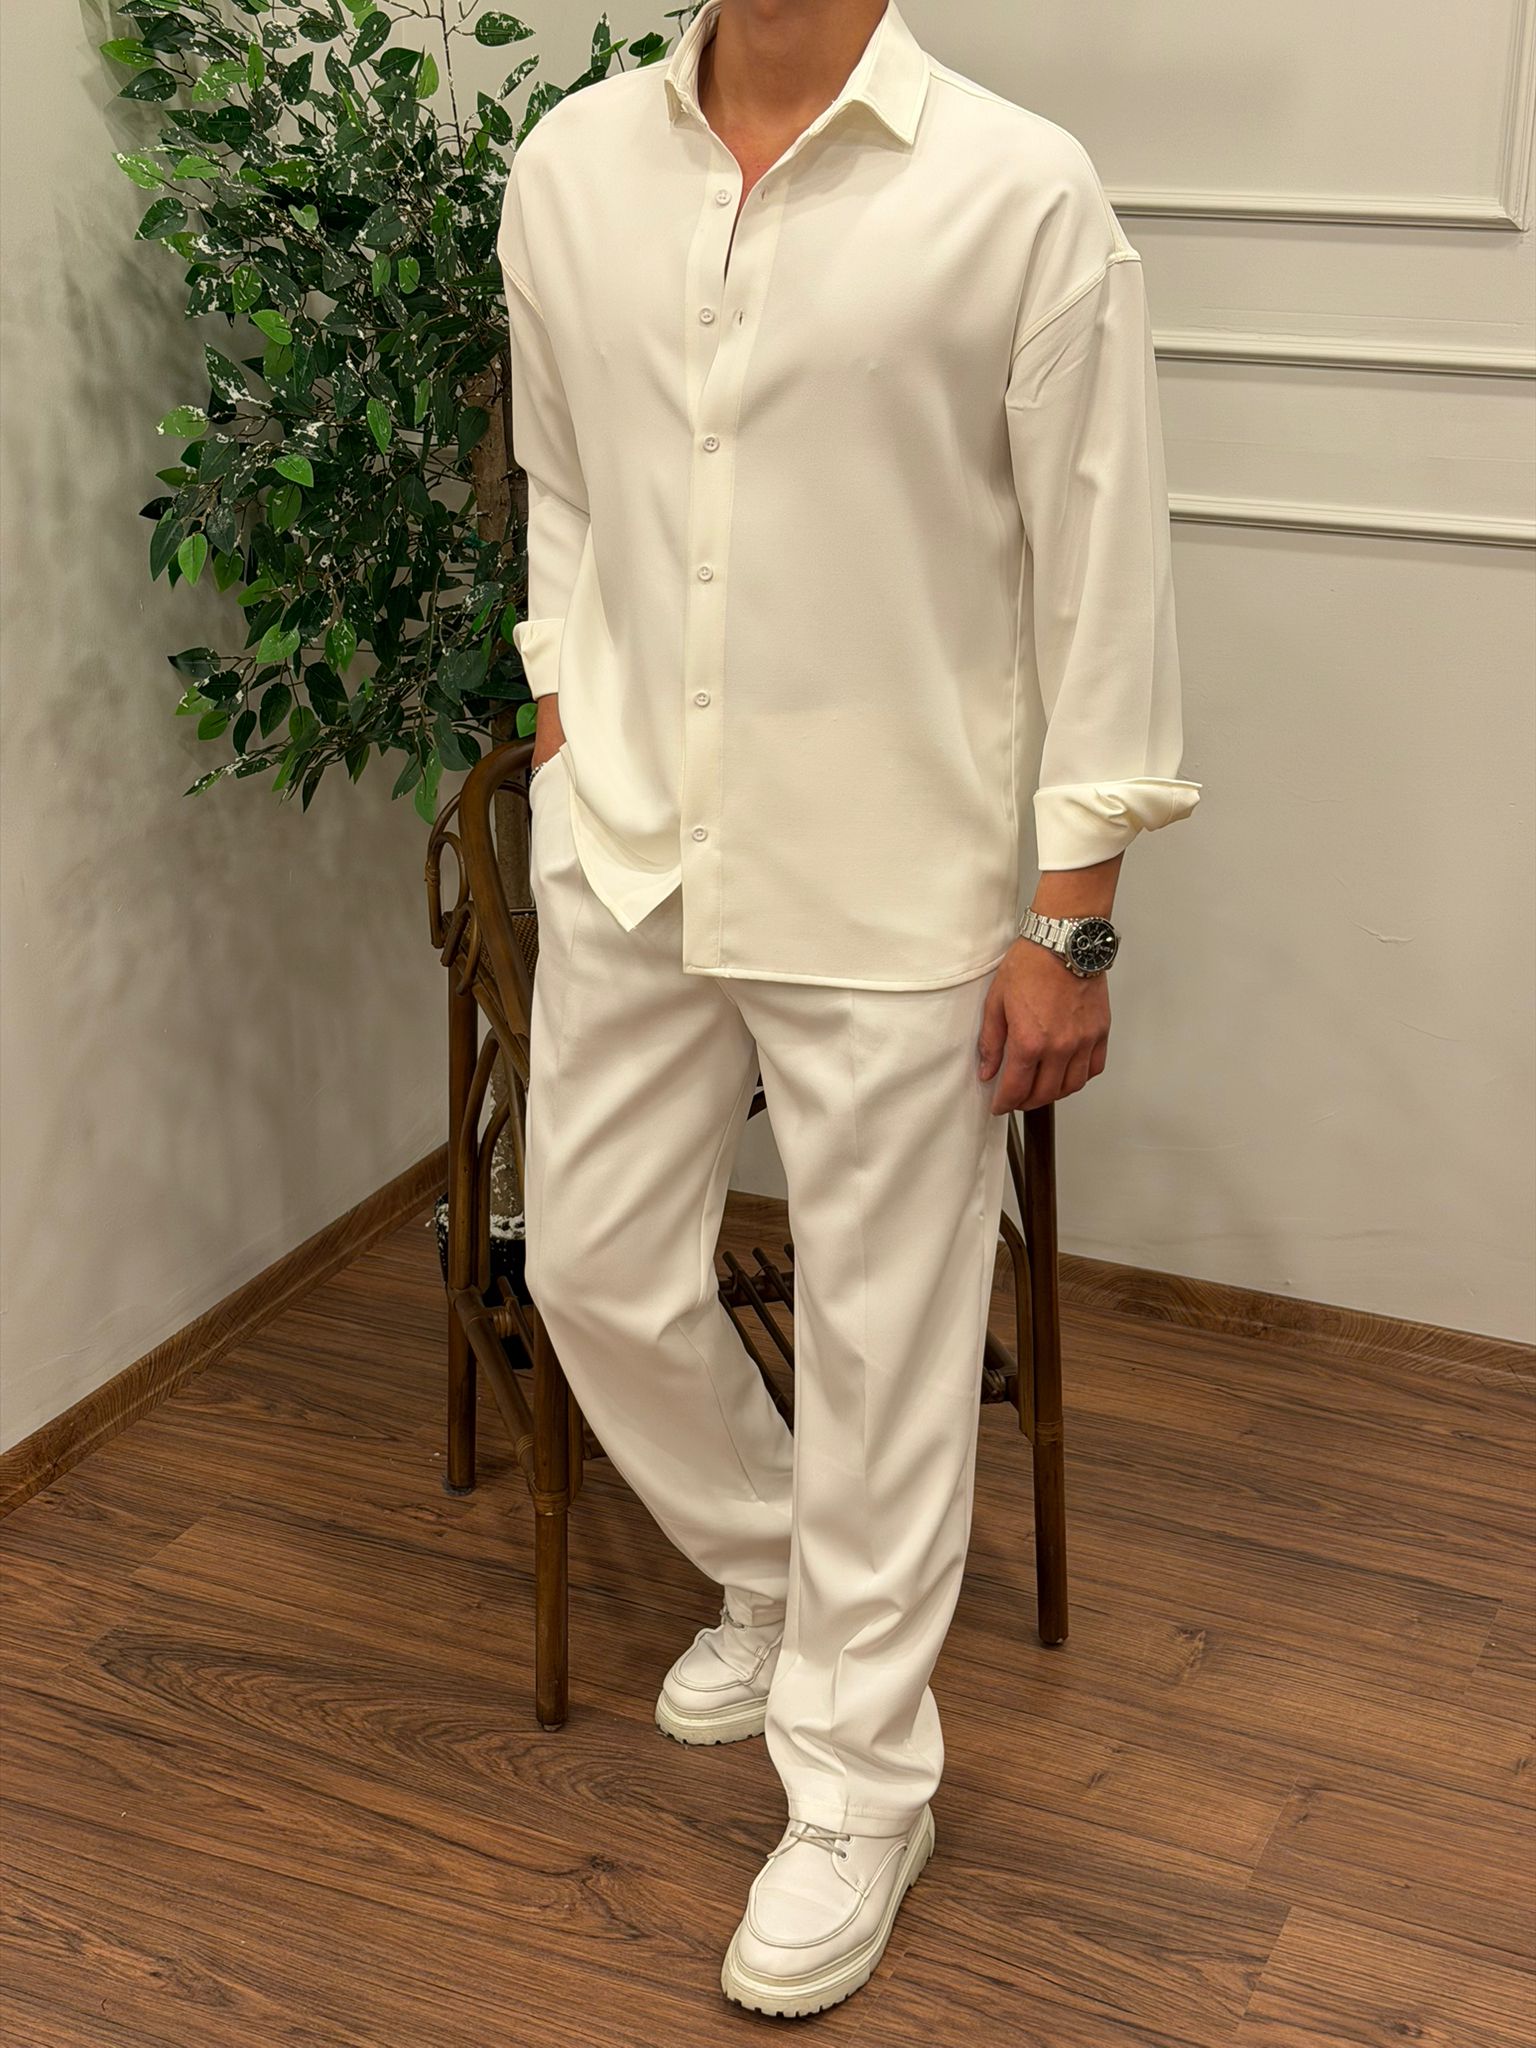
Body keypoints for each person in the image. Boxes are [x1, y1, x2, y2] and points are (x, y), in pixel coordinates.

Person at [497, 0, 1200, 2018]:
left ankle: (861, 1779)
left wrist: (1074, 914)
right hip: (635, 844)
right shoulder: (570, 168)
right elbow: (564, 479)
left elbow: (1099, 565)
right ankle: (784, 1564)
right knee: (596, 1263)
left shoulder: (1018, 190)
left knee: (889, 1340)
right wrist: (560, 705)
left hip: (901, 875)